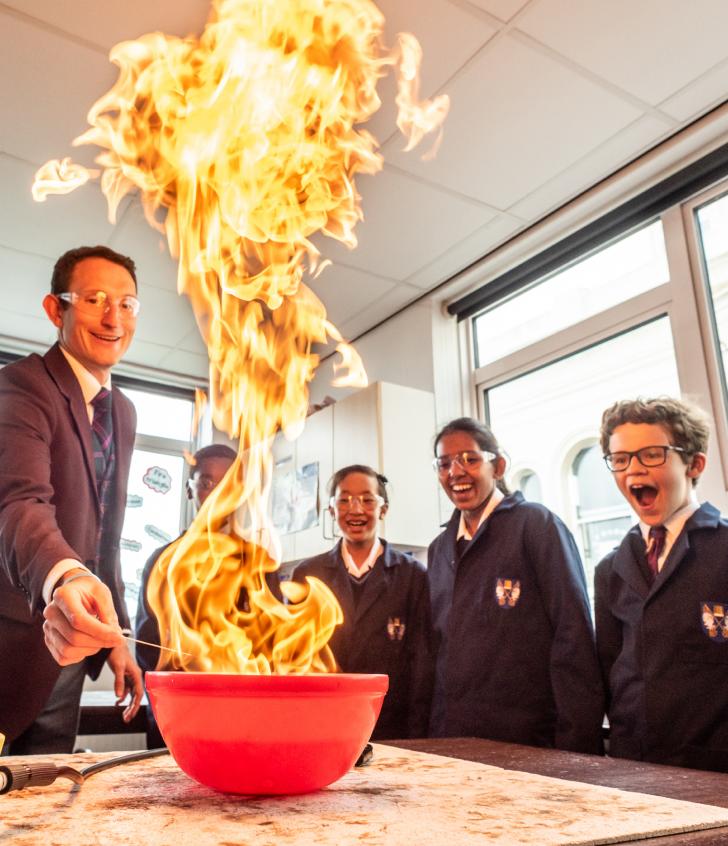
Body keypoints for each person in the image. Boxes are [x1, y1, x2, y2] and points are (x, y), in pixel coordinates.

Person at [0, 245, 144, 754]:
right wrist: (67, 577)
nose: (113, 317)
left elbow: (105, 535)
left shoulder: (122, 411)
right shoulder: (21, 386)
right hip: (15, 637)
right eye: (94, 299)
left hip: (70, 653)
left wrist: (118, 638)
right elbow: (19, 504)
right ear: (55, 308)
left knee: (44, 804)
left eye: (127, 303)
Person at [428, 417, 604, 754]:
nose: (455, 472)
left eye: (470, 459)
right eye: (444, 463)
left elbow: (574, 637)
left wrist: (578, 748)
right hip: (453, 741)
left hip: (529, 742)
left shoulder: (537, 526)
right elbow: (438, 654)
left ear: (499, 466)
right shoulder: (439, 549)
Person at [595, 397, 728, 772]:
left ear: (695, 463)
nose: (633, 469)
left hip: (714, 772)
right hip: (635, 768)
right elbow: (608, 672)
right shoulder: (610, 568)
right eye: (620, 459)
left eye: (652, 454)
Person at [293, 465, 434, 740]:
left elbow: (422, 663)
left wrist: (419, 736)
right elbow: (295, 659)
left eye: (367, 500)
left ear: (383, 509)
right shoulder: (308, 574)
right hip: (324, 725)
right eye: (344, 500)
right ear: (332, 510)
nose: (355, 509)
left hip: (392, 729)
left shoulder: (412, 576)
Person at [135, 443, 238, 674]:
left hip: (237, 698)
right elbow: (146, 646)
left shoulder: (258, 564)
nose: (218, 495)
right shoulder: (162, 562)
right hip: (177, 695)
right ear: (190, 489)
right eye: (206, 484)